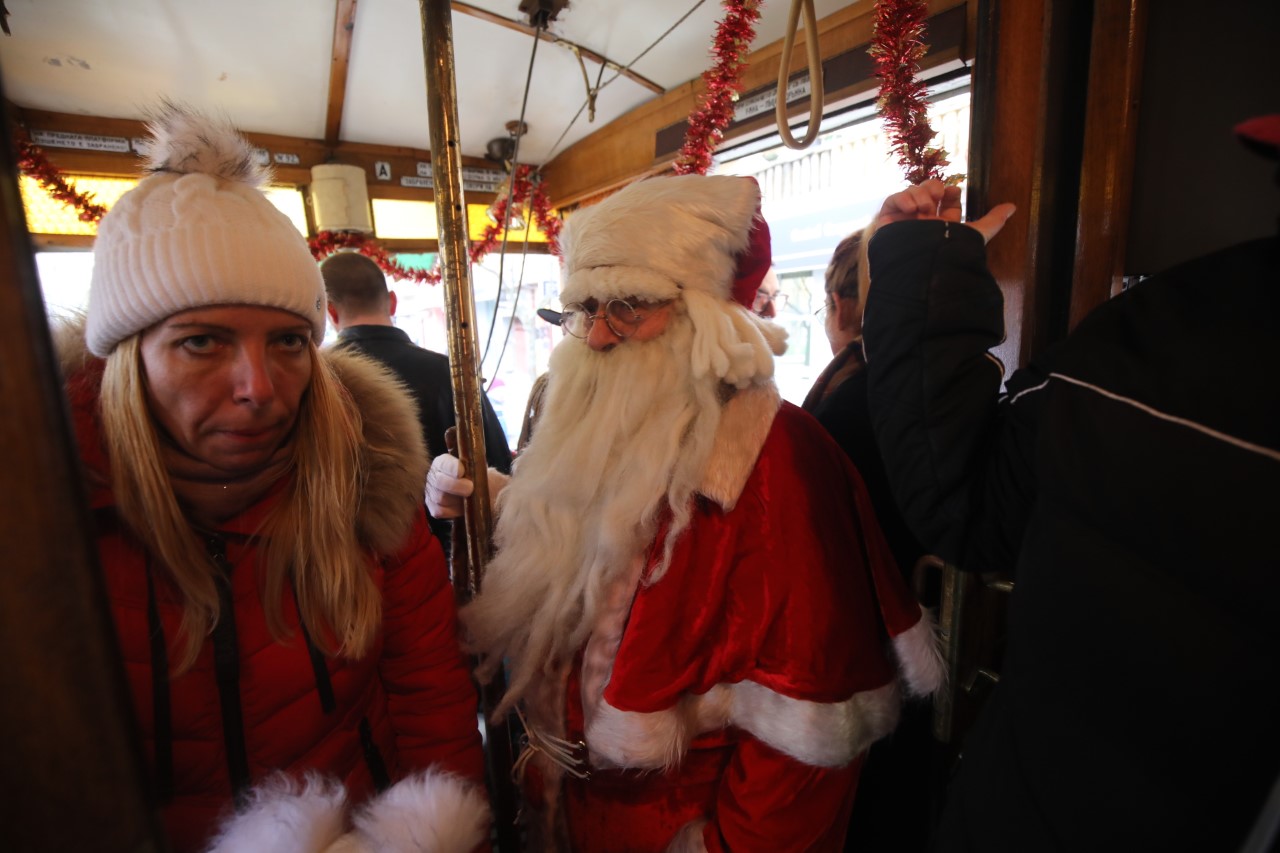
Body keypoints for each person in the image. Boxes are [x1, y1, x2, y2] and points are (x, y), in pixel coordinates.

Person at [427, 173, 943, 851]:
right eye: (585, 309)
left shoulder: (774, 458)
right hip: (567, 815)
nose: (599, 337)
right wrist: (489, 496)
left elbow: (809, 741)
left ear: (708, 311)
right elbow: (580, 539)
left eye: (630, 306)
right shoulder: (606, 422)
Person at [59, 103, 487, 852]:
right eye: (200, 341)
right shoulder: (44, 524)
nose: (259, 385)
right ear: (129, 358)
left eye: (289, 341)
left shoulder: (367, 488)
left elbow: (432, 709)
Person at [861, 116, 1280, 852]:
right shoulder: (1160, 340)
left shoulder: (1159, 334)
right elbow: (973, 501)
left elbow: (962, 502)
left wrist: (923, 269)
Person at [801, 230, 941, 851]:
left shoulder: (845, 401)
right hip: (924, 634)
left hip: (856, 643)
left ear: (840, 305)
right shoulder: (926, 389)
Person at [319, 251, 513, 552]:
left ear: (330, 312)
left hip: (358, 563)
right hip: (455, 555)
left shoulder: (321, 383)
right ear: (392, 301)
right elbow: (498, 467)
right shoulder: (450, 374)